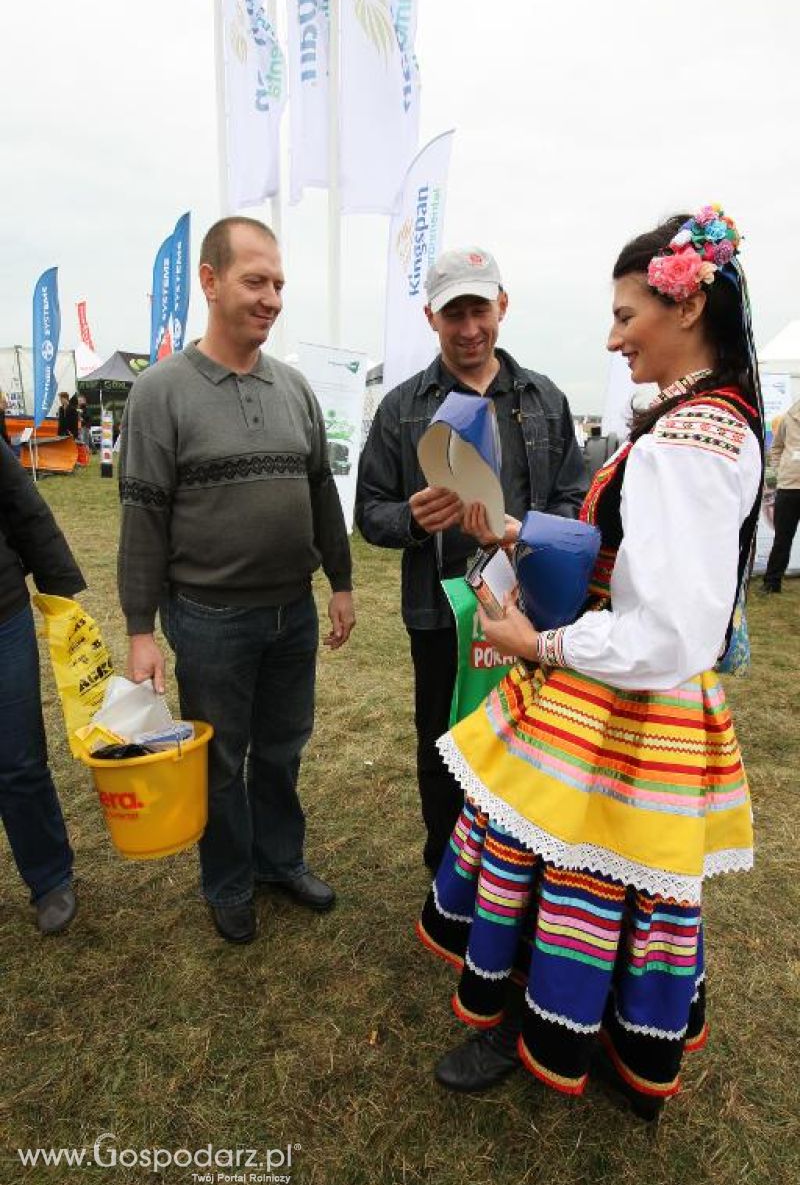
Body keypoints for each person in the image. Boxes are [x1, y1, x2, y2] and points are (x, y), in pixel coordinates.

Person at [416, 206, 764, 1120]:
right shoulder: (712, 417)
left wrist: (540, 644)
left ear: (685, 309)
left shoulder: (688, 442)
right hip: (647, 703)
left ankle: (533, 1025)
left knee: (557, 869)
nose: (612, 338)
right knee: (612, 884)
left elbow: (667, 629)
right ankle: (600, 1031)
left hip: (623, 698)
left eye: (625, 315)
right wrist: (517, 526)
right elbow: (633, 557)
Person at [117, 216, 355, 945]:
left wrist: (340, 583)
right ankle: (226, 882)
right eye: (256, 280)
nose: (272, 297)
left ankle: (279, 859)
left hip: (293, 611)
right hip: (210, 618)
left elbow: (320, 493)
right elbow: (143, 518)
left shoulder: (295, 390)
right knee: (221, 758)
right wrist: (139, 630)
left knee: (283, 748)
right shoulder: (161, 392)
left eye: (279, 282)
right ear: (210, 281)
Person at [355, 247, 586, 872]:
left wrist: (527, 534)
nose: (468, 328)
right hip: (439, 611)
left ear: (502, 307)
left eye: (479, 309)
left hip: (533, 607)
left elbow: (574, 496)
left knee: (534, 735)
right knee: (444, 742)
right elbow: (368, 510)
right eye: (453, 312)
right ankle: (448, 871)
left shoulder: (544, 398)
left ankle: (521, 873)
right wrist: (410, 518)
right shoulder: (403, 407)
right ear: (432, 317)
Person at [0, 437, 85, 933]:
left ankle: (50, 877)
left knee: (19, 759)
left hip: (3, 615)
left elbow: (21, 502)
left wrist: (61, 591)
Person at [760, 395, 800, 592]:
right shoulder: (787, 418)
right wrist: (780, 468)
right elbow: (776, 448)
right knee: (782, 538)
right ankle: (771, 583)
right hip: (789, 487)